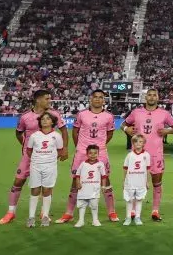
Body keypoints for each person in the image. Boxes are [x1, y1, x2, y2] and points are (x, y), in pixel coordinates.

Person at [0, 90, 68, 225]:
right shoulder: (25, 116)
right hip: (29, 156)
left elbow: (64, 131)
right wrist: (27, 147)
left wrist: (64, 148)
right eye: (47, 99)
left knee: (46, 185)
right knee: (18, 181)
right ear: (38, 100)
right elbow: (19, 133)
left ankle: (44, 212)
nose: (50, 101)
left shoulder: (54, 114)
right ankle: (11, 212)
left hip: (47, 155)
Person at [61, 89, 118, 223]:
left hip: (101, 152)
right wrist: (80, 147)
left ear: (104, 100)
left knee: (106, 179)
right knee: (76, 180)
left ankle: (112, 212)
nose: (98, 99)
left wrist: (100, 145)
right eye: (95, 97)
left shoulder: (109, 116)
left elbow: (109, 134)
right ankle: (69, 213)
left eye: (100, 97)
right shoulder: (81, 114)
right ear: (90, 99)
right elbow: (75, 132)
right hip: (82, 152)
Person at [121, 88, 173, 222]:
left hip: (156, 154)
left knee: (156, 182)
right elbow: (123, 124)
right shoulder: (136, 112)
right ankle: (133, 210)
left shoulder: (164, 113)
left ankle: (155, 210)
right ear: (145, 97)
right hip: (138, 155)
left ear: (158, 98)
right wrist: (126, 129)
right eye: (149, 95)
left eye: (154, 95)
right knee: (135, 182)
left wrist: (167, 131)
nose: (152, 97)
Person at [24, 112, 64, 228]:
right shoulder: (34, 136)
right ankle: (31, 217)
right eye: (42, 119)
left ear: (52, 122)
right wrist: (38, 159)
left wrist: (49, 159)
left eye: (47, 119)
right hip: (36, 166)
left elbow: (60, 151)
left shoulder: (57, 136)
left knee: (47, 190)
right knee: (35, 190)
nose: (44, 120)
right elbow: (29, 150)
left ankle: (45, 216)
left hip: (50, 166)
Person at [73, 144, 108, 228]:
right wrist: (78, 183)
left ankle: (95, 220)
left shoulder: (100, 164)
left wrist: (103, 186)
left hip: (94, 189)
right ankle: (81, 220)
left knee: (94, 205)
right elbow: (77, 175)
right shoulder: (83, 164)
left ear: (98, 154)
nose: (93, 155)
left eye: (95, 153)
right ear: (87, 154)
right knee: (82, 205)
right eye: (90, 153)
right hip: (83, 188)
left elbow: (104, 176)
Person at [122, 135, 151, 225]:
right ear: (133, 143)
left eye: (140, 141)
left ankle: (137, 217)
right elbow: (125, 169)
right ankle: (128, 218)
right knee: (129, 200)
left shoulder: (146, 155)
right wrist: (124, 181)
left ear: (144, 143)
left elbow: (148, 169)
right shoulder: (130, 155)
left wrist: (147, 181)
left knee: (139, 199)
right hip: (130, 181)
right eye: (136, 141)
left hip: (141, 181)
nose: (138, 143)